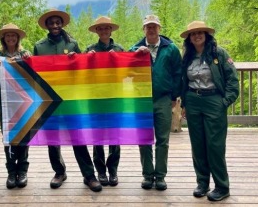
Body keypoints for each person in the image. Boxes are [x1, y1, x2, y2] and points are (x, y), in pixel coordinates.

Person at [34, 9, 102, 192]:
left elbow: (82, 68)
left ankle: (89, 175)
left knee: (77, 137)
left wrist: (76, 60)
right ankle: (59, 172)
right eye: (52, 23)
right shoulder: (39, 47)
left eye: (58, 22)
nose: (55, 26)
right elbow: (34, 74)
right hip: (49, 99)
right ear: (47, 26)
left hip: (71, 98)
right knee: (52, 138)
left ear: (62, 24)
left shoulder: (72, 44)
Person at [179, 21, 239, 201]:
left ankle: (222, 186)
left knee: (215, 146)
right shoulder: (187, 56)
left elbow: (232, 80)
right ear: (189, 38)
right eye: (193, 33)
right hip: (193, 101)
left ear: (206, 35)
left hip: (214, 101)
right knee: (198, 145)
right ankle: (202, 183)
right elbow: (183, 80)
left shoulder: (218, 53)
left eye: (200, 32)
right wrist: (184, 104)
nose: (197, 35)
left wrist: (224, 101)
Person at [128, 14, 182, 191]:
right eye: (148, 26)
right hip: (142, 100)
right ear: (143, 29)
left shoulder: (171, 48)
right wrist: (135, 56)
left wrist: (174, 97)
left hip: (163, 99)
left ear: (159, 28)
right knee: (144, 140)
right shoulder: (134, 48)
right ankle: (147, 175)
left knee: (163, 140)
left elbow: (177, 73)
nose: (151, 29)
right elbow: (125, 72)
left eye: (154, 26)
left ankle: (160, 176)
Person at [0, 23, 31, 189]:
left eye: (14, 35)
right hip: (6, 103)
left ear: (18, 37)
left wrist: (29, 62)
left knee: (23, 137)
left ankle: (22, 171)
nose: (11, 38)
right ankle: (11, 171)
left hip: (25, 102)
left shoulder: (25, 54)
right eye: (7, 36)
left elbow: (34, 78)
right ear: (3, 38)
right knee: (8, 138)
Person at [85, 16, 124, 187]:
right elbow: (83, 74)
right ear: (96, 31)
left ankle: (113, 169)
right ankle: (100, 170)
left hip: (115, 97)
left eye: (106, 28)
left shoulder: (120, 49)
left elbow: (128, 74)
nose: (103, 31)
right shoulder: (89, 50)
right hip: (95, 98)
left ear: (111, 30)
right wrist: (87, 59)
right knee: (98, 135)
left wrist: (118, 60)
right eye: (100, 28)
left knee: (115, 135)